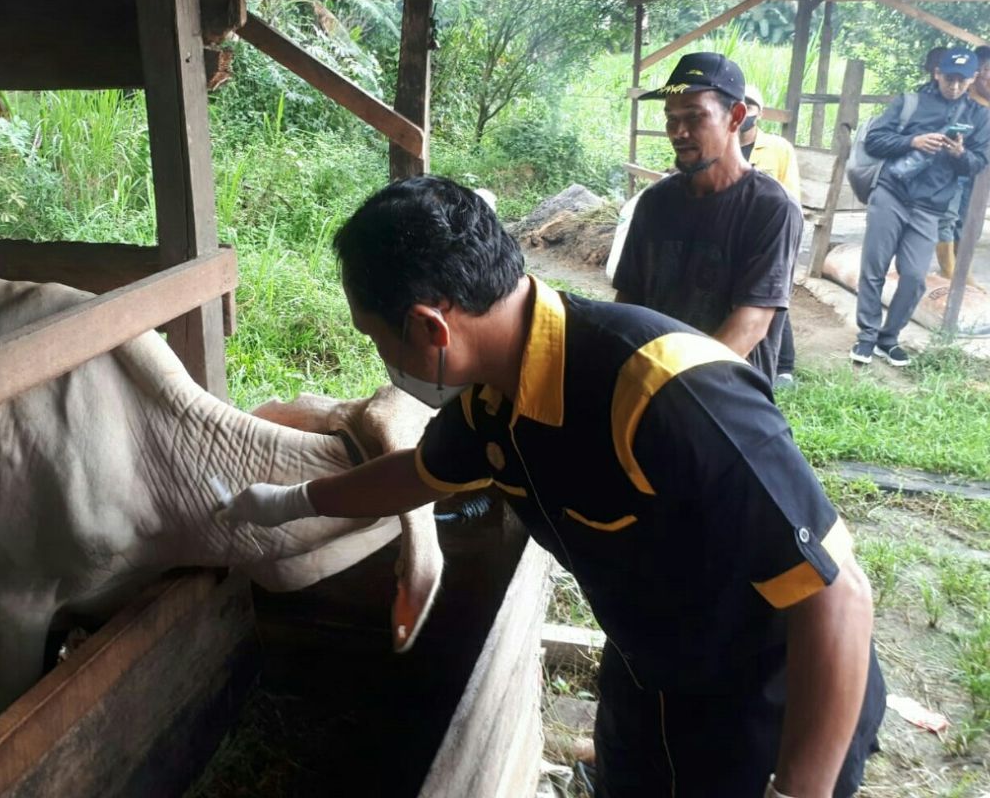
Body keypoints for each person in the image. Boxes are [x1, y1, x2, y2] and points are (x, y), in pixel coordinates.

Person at [219, 174, 885, 797]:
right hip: (650, 674)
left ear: (430, 325)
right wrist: (288, 502)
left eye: (375, 337)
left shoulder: (664, 392)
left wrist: (797, 791)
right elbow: (415, 475)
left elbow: (838, 597)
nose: (381, 358)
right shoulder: (492, 400)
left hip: (767, 708)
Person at [611, 52, 801, 383]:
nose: (678, 132)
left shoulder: (771, 208)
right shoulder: (655, 202)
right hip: (650, 385)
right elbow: (629, 300)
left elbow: (751, 325)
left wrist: (676, 385)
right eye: (671, 118)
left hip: (726, 394)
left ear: (736, 116)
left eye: (695, 117)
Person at [851, 47, 990, 367]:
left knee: (914, 276)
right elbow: (875, 141)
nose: (955, 86)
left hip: (930, 206)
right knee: (874, 267)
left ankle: (889, 338)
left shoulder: (979, 116)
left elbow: (978, 163)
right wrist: (912, 142)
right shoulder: (910, 102)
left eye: (962, 80)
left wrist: (959, 155)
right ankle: (867, 336)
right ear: (937, 74)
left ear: (972, 79)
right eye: (949, 79)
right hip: (891, 192)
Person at [741, 83, 804, 389]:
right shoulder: (718, 145)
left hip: (769, 234)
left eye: (750, 106)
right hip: (735, 236)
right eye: (738, 104)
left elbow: (789, 194)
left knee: (774, 301)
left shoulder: (777, 148)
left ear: (759, 113)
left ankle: (784, 367)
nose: (743, 111)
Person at [935, 46, 990, 291]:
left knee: (970, 220)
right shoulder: (965, 100)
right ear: (975, 74)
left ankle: (961, 270)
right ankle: (949, 270)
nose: (988, 76)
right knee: (948, 216)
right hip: (955, 166)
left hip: (979, 168)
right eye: (985, 70)